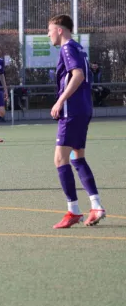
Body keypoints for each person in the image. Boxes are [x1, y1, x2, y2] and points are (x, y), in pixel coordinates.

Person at [48, 14, 105, 229]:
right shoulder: (79, 48)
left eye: (50, 30)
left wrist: (60, 100)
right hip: (83, 108)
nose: (48, 34)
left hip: (72, 110)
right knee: (77, 158)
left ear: (60, 30)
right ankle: (96, 205)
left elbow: (78, 75)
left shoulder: (67, 47)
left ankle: (73, 211)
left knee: (60, 159)